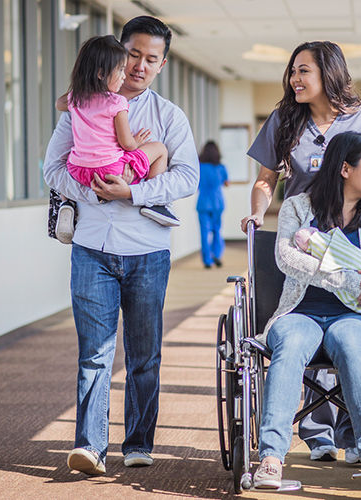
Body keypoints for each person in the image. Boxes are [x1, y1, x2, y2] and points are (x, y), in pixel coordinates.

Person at [242, 40, 361, 464]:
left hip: (357, 228)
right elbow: (266, 180)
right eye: (293, 71)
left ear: (328, 74)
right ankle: (319, 433)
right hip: (305, 233)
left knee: (347, 332)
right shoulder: (285, 119)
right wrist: (257, 215)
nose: (294, 79)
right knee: (308, 323)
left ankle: (358, 436)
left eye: (304, 71)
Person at [42, 16, 199, 476]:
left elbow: (186, 176)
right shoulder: (80, 108)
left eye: (152, 59)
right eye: (133, 55)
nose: (140, 66)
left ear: (163, 64)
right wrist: (96, 190)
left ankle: (137, 442)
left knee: (144, 355)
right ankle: (90, 446)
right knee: (94, 352)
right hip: (91, 247)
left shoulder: (169, 117)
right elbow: (52, 170)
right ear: (116, 53)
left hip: (148, 249)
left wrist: (131, 192)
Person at [252, 131, 361, 488]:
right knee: (289, 343)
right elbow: (286, 256)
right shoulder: (298, 205)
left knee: (348, 340)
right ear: (346, 168)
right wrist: (343, 278)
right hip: (301, 310)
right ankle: (271, 457)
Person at [52, 35, 177, 244]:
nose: (123, 75)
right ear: (101, 73)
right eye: (120, 70)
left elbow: (59, 103)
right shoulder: (117, 102)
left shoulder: (77, 99)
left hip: (78, 171)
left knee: (67, 160)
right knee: (160, 149)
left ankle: (67, 203)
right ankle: (155, 204)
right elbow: (127, 144)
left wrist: (81, 90)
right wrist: (137, 142)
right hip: (112, 170)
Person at [196, 140, 229, 268]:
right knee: (217, 230)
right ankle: (217, 254)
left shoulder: (199, 167)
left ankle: (207, 260)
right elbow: (226, 183)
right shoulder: (220, 167)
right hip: (217, 202)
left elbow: (195, 185)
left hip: (203, 202)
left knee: (204, 232)